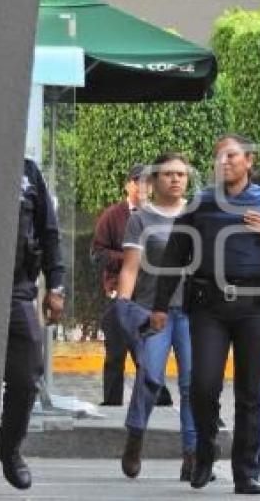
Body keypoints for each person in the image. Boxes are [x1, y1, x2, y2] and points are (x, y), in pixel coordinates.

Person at [152, 134, 260, 495]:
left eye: (232, 156)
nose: (225, 162)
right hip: (209, 307)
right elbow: (174, 254)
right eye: (219, 157)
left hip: (257, 307)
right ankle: (205, 451)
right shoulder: (201, 204)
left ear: (249, 161)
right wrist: (158, 306)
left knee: (251, 393)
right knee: (202, 386)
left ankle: (246, 473)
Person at [116, 153, 197, 480]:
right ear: (154, 180)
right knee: (150, 378)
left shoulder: (196, 215)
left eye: (181, 174)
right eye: (168, 174)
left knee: (193, 385)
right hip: (154, 312)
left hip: (192, 313)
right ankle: (135, 437)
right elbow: (130, 267)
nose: (176, 179)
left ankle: (191, 454)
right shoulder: (141, 219)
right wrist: (124, 302)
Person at [0, 158, 65, 490]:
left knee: (26, 378)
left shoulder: (26, 171)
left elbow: (49, 233)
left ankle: (9, 448)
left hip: (16, 289)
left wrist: (56, 286)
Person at [93, 164, 172, 406]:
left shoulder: (159, 216)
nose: (143, 187)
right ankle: (112, 404)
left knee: (148, 355)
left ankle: (155, 402)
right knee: (115, 354)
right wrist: (130, 258)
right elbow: (97, 253)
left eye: (148, 182)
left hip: (149, 298)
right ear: (128, 184)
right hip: (120, 295)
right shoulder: (112, 215)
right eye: (138, 181)